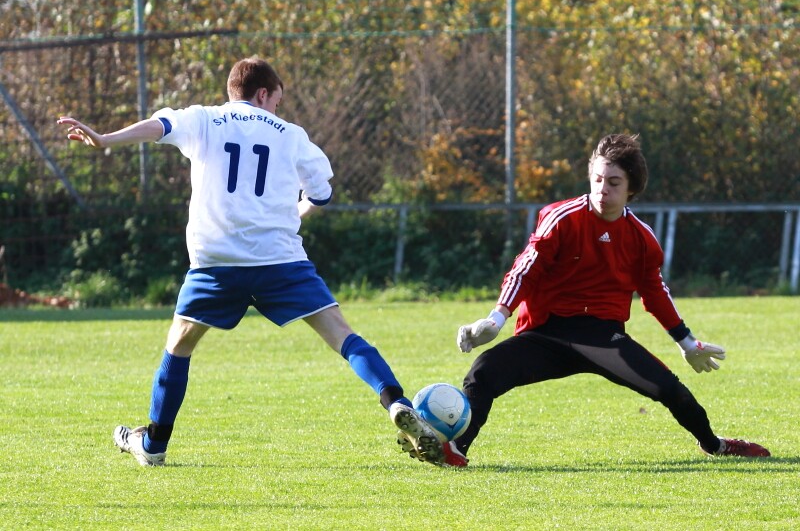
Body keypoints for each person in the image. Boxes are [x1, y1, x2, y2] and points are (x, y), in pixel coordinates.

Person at [57, 57, 444, 467]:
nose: (277, 108)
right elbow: (321, 194)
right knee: (342, 336)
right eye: (277, 100)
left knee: (180, 345)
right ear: (263, 93)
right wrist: (295, 213)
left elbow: (160, 126)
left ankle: (153, 445)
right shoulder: (291, 135)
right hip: (280, 260)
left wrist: (105, 139)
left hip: (216, 264)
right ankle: (396, 402)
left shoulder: (205, 119)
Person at [403, 133, 770, 467]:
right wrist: (496, 318)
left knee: (669, 389)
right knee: (483, 371)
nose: (602, 189)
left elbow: (655, 293)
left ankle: (715, 445)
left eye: (613, 182)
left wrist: (687, 342)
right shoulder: (561, 218)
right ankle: (455, 450)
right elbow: (526, 268)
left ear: (631, 189)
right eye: (597, 179)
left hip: (601, 337)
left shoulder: (641, 238)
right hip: (546, 335)